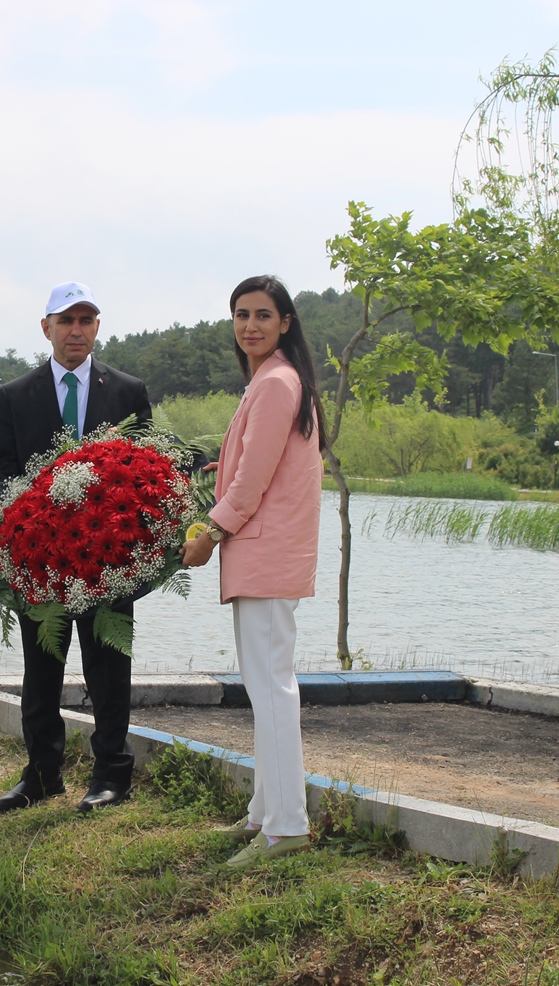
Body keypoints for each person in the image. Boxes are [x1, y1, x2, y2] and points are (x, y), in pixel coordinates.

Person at [0, 281, 153, 814]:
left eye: (86, 320)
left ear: (97, 328)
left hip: (110, 558)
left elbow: (151, 468)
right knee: (42, 668)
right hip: (39, 557)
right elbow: (2, 468)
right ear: (46, 328)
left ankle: (112, 776)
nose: (76, 330)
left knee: (108, 668)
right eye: (66, 321)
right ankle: (41, 774)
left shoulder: (127, 390)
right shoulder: (15, 395)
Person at [182, 274, 324, 868]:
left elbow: (254, 482)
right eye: (241, 315)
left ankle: (288, 826)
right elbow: (257, 464)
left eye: (263, 315)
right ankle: (265, 814)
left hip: (264, 554)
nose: (250, 326)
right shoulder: (273, 380)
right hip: (264, 553)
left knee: (272, 691)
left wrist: (210, 532)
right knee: (265, 689)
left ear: (285, 322)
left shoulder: (276, 383)